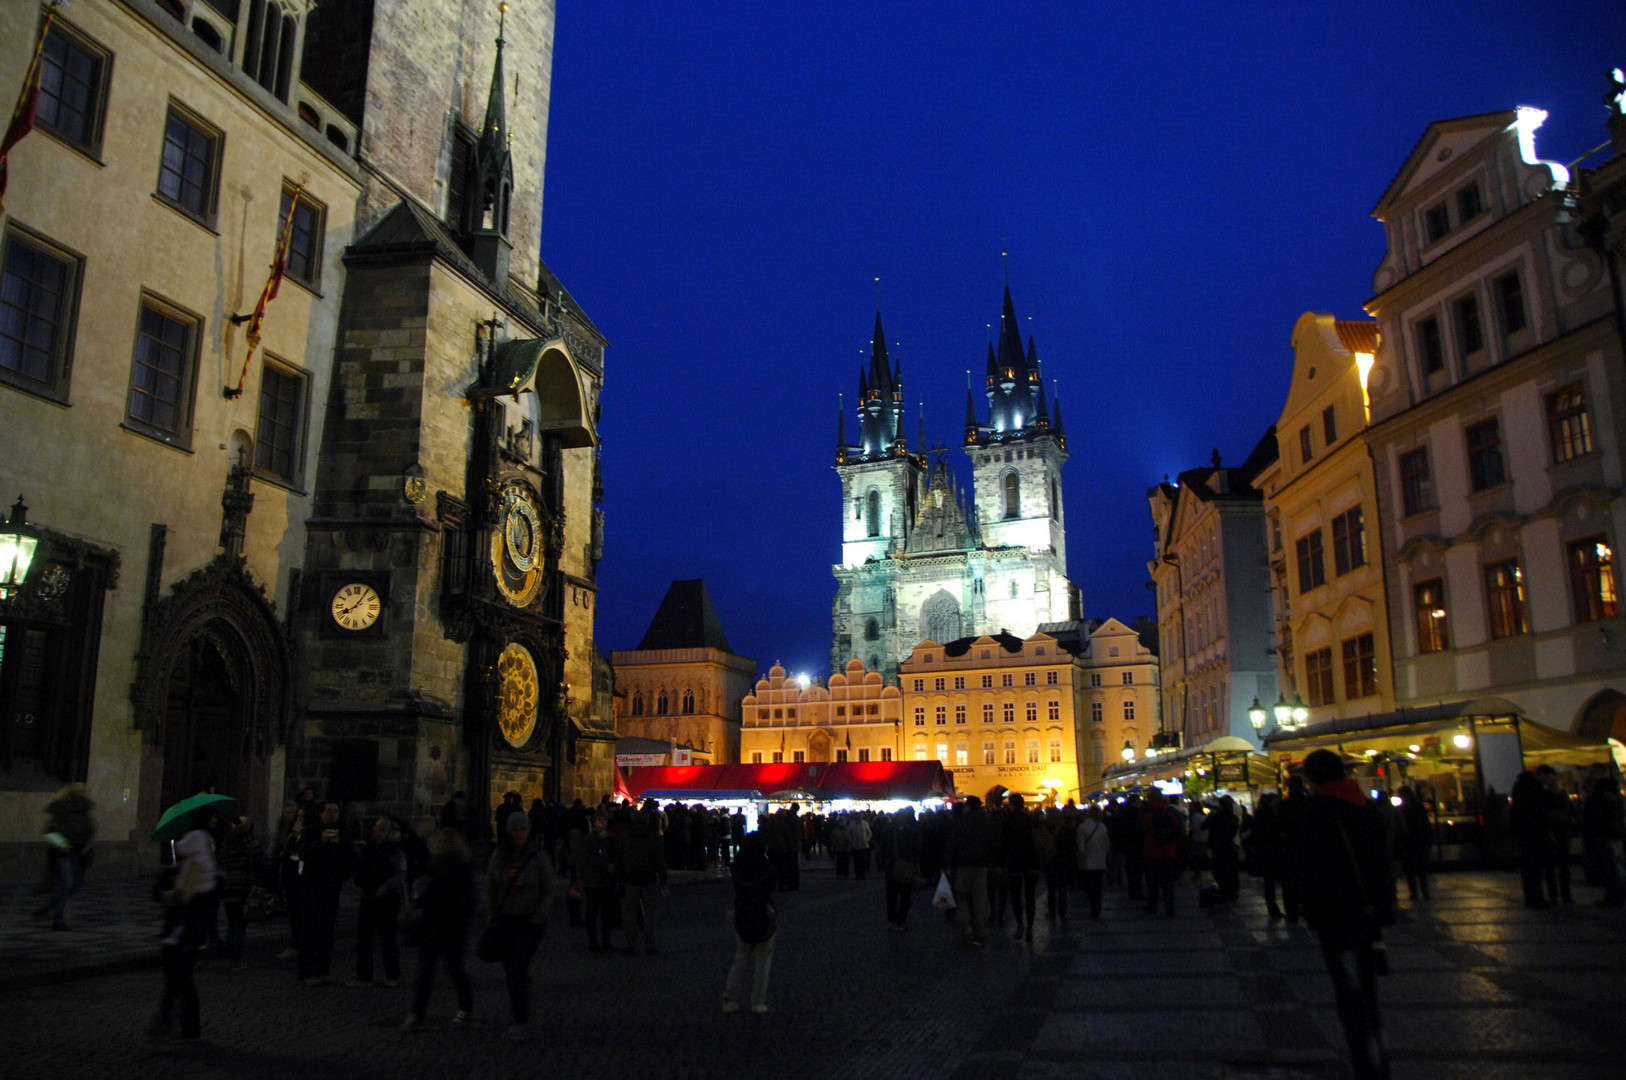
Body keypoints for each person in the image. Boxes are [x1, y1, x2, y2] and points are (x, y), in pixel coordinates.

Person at [1294, 749, 1394, 1080]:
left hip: (1336, 914)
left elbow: (1312, 867)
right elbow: (1384, 862)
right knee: (1369, 996)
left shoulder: (1319, 811)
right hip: (1369, 913)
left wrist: (1309, 910)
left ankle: (1369, 1069)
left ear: (1314, 777)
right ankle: (1378, 1062)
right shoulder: (1368, 808)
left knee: (1351, 998)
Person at [148, 807, 220, 1043]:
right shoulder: (199, 860)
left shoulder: (196, 865)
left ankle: (170, 1022)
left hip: (184, 927)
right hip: (187, 925)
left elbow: (186, 896)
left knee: (178, 976)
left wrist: (171, 895)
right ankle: (184, 1025)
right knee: (179, 976)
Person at [486, 812, 555, 1040]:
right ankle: (520, 1011)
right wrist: (492, 913)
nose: (519, 834)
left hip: (529, 920)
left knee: (517, 965)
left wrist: (539, 915)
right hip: (506, 918)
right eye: (515, 830)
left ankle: (520, 1019)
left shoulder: (538, 856)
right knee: (512, 969)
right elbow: (491, 886)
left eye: (523, 829)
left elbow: (548, 889)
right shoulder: (499, 855)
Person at [402, 828, 476, 1031]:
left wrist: (457, 915)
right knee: (425, 971)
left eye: (447, 842)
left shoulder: (461, 867)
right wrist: (418, 903)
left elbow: (470, 901)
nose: (442, 845)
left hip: (452, 927)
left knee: (454, 969)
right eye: (440, 842)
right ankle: (416, 1014)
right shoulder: (432, 865)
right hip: (431, 925)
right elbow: (430, 893)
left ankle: (465, 1006)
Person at [297, 799, 354, 985]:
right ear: (321, 813)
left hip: (332, 887)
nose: (332, 814)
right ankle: (306, 972)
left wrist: (341, 875)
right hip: (313, 887)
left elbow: (349, 858)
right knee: (310, 929)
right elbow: (304, 854)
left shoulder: (343, 831)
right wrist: (320, 842)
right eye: (329, 811)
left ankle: (323, 969)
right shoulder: (310, 830)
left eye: (335, 810)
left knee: (327, 930)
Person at [722, 832, 776, 1014]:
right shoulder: (766, 866)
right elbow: (770, 888)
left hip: (742, 911)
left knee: (741, 957)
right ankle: (758, 1001)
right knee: (763, 960)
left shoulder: (737, 866)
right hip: (763, 911)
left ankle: (730, 999)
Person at [352, 815, 407, 986]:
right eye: (377, 828)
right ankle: (364, 976)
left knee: (387, 937)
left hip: (387, 898)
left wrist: (385, 886)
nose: (378, 832)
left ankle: (392, 976)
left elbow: (400, 873)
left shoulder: (394, 849)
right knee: (364, 937)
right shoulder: (369, 848)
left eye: (383, 829)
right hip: (369, 896)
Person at [41, 783, 95, 931]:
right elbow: (50, 831)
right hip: (64, 852)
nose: (85, 794)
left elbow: (88, 828)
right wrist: (62, 844)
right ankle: (58, 919)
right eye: (82, 792)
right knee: (68, 883)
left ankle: (50, 906)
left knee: (76, 884)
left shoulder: (82, 809)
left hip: (78, 852)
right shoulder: (64, 808)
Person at [217, 815, 266, 967]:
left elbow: (220, 862)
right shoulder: (251, 845)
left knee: (232, 923)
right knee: (240, 924)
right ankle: (236, 958)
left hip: (227, 887)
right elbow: (261, 863)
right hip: (244, 888)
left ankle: (228, 954)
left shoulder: (227, 845)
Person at [947, 796, 992, 945]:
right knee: (979, 899)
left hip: (964, 865)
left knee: (961, 896)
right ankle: (980, 932)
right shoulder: (986, 823)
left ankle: (967, 928)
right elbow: (992, 844)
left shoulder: (961, 822)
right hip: (981, 865)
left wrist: (948, 863)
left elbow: (953, 845)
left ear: (969, 807)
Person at [620, 809, 666, 955]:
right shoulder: (654, 839)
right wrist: (663, 880)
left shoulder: (626, 839)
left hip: (631, 879)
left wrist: (620, 878)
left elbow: (621, 860)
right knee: (650, 914)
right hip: (648, 878)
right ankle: (650, 945)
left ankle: (629, 944)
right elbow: (660, 862)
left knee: (630, 914)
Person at [1581, 764, 1625, 907]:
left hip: (1603, 834)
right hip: (1615, 833)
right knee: (1616, 866)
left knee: (1610, 867)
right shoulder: (1615, 792)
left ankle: (1614, 897)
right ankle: (1616, 895)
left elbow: (1595, 817)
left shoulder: (1600, 794)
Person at [1509, 770, 1552, 909]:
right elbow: (1542, 812)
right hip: (1536, 833)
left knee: (1528, 868)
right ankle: (1537, 896)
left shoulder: (1519, 788)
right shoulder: (1536, 789)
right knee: (1537, 867)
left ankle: (1530, 897)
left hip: (1524, 833)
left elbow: (1514, 812)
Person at [1141, 792, 1183, 916]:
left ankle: (1152, 906)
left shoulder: (1149, 814)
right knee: (1168, 883)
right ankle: (1170, 908)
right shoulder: (1172, 813)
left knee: (1153, 883)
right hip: (1169, 852)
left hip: (1153, 852)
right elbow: (1179, 832)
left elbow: (1143, 830)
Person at [882, 807, 922, 930]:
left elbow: (883, 848)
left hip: (892, 865)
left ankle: (891, 920)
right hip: (907, 866)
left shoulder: (889, 830)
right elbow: (917, 850)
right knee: (905, 896)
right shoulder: (912, 832)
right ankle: (901, 921)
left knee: (892, 895)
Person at [1395, 786, 1432, 902]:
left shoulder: (1403, 809)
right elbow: (1426, 825)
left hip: (1409, 843)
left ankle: (1414, 892)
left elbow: (1401, 827)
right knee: (1421, 870)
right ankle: (1424, 892)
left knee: (1410, 870)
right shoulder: (1419, 807)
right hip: (1419, 842)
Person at [1076, 804, 1109, 920]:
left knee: (1088, 886)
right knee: (1098, 887)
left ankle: (1093, 906)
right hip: (1100, 862)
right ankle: (1097, 908)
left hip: (1087, 862)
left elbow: (1080, 847)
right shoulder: (1103, 827)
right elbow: (1107, 845)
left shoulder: (1082, 827)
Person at [1208, 796, 1241, 903]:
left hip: (1218, 847)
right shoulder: (1233, 818)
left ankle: (1224, 891)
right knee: (1231, 871)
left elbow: (1203, 826)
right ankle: (1232, 892)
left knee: (1219, 870)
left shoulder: (1216, 817)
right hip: (1230, 847)